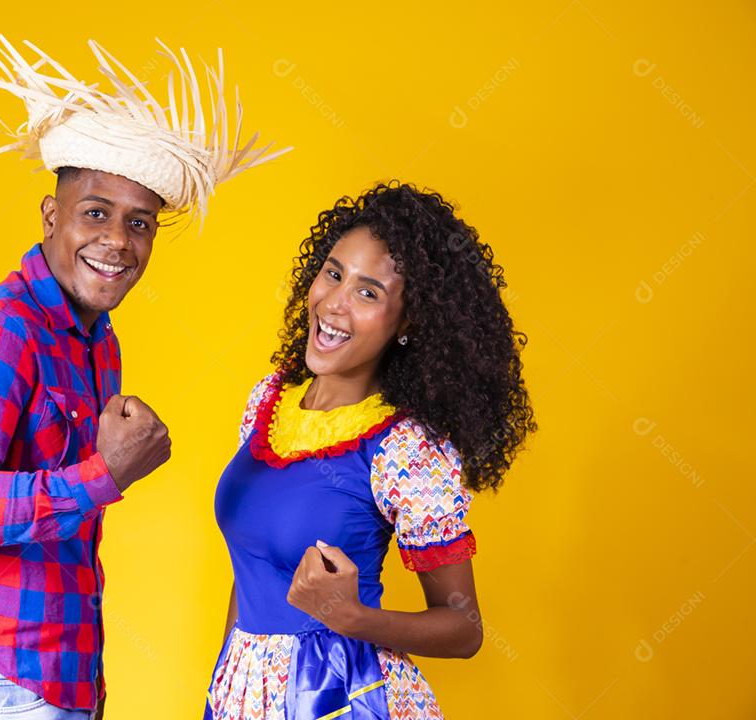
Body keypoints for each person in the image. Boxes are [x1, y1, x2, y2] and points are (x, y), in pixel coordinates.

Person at [0, 35, 288, 720]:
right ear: (52, 216)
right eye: (96, 213)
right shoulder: (0, 328)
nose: (117, 241)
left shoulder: (97, 343)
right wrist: (104, 472)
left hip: (55, 675)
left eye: (139, 224)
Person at [204, 181, 536, 719]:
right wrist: (225, 686)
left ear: (406, 323)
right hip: (244, 693)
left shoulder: (405, 450)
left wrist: (353, 617)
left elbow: (464, 628)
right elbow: (248, 575)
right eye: (333, 273)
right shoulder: (266, 403)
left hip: (344, 695)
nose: (335, 303)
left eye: (368, 292)